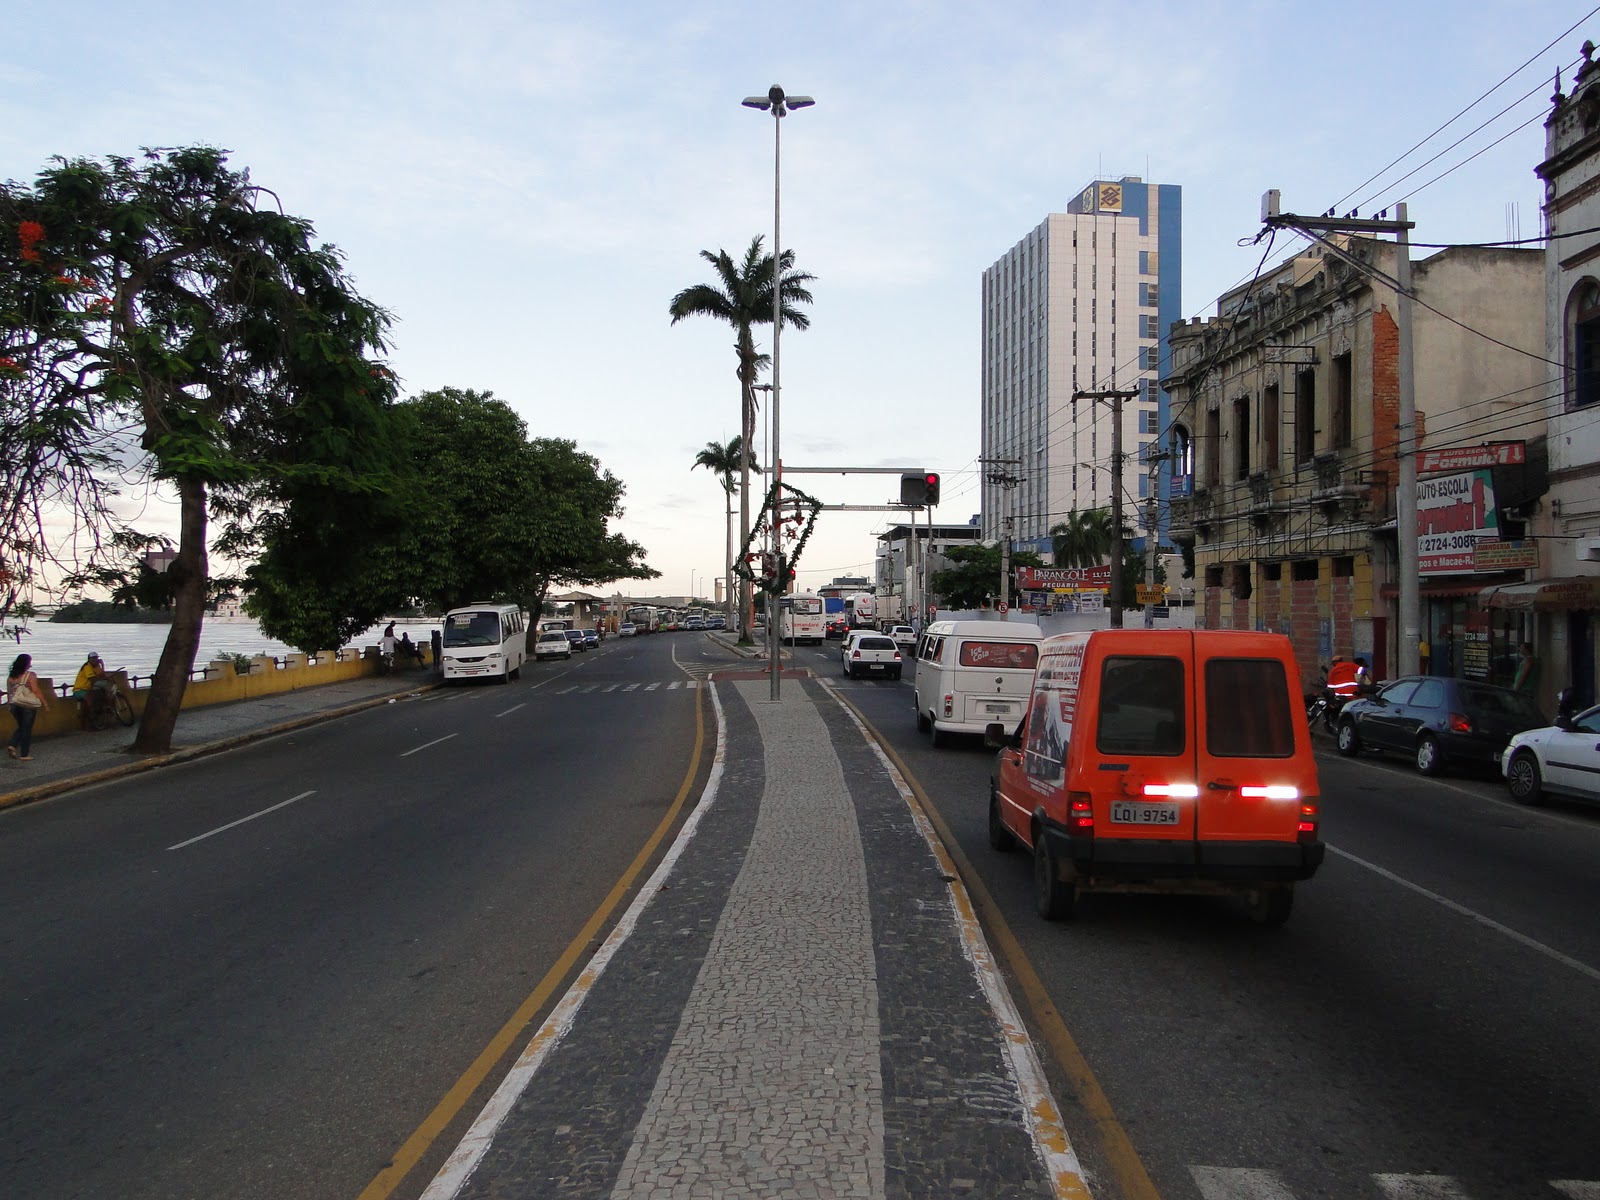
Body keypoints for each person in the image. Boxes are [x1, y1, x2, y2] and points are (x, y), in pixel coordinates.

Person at [7, 653, 50, 761]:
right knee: (26, 729)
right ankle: (24, 754)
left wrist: (9, 704)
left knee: (22, 726)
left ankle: (13, 745)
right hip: (28, 706)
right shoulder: (30, 675)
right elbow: (36, 690)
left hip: (15, 705)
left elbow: (10, 692)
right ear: (27, 663)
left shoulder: (11, 677)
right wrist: (45, 703)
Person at [72, 652, 107, 729]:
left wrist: (102, 665)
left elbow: (103, 675)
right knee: (90, 700)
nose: (95, 660)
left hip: (89, 689)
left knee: (101, 695)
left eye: (96, 658)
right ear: (89, 659)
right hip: (79, 690)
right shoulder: (87, 667)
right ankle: (89, 721)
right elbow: (92, 679)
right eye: (93, 658)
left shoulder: (97, 666)